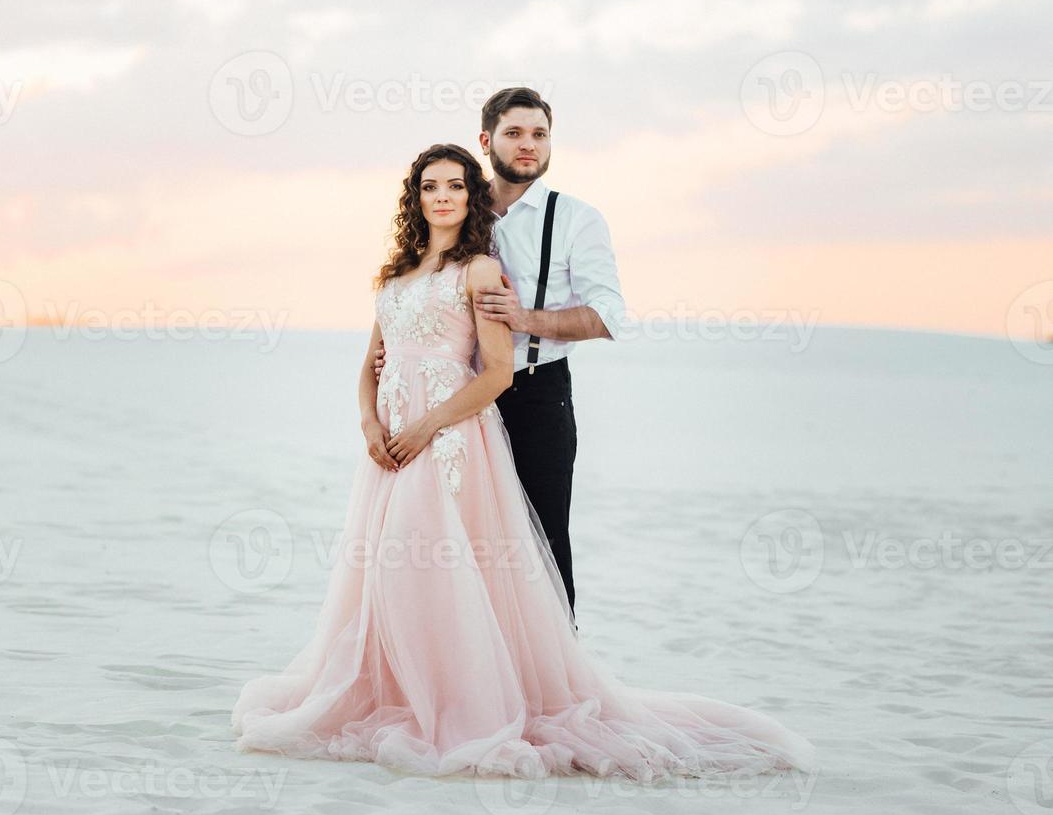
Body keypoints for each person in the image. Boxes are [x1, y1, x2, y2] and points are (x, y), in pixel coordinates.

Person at [229, 143, 816, 779]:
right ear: (415, 198)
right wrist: (371, 424)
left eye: (456, 186)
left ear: (470, 198)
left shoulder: (479, 271)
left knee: (438, 566)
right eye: (431, 186)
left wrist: (427, 426)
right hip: (390, 449)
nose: (443, 196)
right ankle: (395, 695)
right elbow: (369, 365)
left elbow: (500, 373)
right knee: (386, 574)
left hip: (447, 439)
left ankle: (460, 703)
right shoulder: (393, 277)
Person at [374, 86, 623, 622]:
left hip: (534, 395)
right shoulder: (455, 199)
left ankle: (554, 677)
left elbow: (607, 316)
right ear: (487, 140)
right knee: (452, 542)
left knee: (540, 542)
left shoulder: (576, 218)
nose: (528, 144)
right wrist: (400, 355)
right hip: (452, 400)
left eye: (539, 134)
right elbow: (418, 289)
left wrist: (524, 319)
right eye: (515, 133)